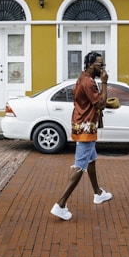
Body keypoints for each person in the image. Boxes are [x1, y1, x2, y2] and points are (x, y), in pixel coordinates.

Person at [51, 51, 112, 220]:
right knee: (80, 166)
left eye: (103, 65)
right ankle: (60, 204)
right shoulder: (89, 82)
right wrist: (105, 83)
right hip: (86, 127)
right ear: (91, 65)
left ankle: (98, 193)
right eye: (100, 65)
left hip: (83, 124)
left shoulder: (84, 78)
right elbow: (100, 103)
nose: (103, 68)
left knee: (91, 160)